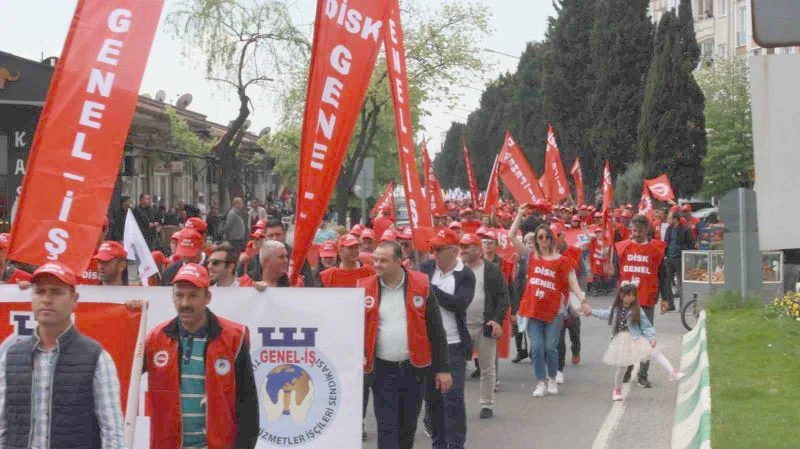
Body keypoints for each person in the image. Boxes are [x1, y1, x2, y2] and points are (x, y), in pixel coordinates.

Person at [0, 262, 126, 448]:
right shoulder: (11, 357)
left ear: (74, 299)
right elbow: (3, 426)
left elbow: (112, 432)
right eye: (40, 292)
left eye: (56, 292)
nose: (47, 299)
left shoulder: (96, 358)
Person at [135, 263, 258, 449]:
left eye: (193, 296)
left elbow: (247, 404)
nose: (185, 303)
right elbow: (122, 372)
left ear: (207, 297)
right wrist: (129, 320)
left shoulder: (234, 337)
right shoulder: (155, 338)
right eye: (179, 295)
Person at [357, 241, 452, 449]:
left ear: (399, 262)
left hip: (413, 369)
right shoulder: (363, 288)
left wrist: (443, 368)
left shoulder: (422, 284)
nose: (377, 265)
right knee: (387, 428)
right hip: (381, 370)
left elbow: (436, 330)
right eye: (375, 260)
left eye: (383, 260)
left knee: (407, 428)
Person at [508, 206, 588, 397]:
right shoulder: (531, 256)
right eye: (540, 237)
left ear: (553, 239)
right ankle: (540, 382)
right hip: (533, 310)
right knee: (536, 348)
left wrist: (582, 301)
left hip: (554, 311)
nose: (544, 240)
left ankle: (552, 378)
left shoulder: (563, 260)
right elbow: (512, 236)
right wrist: (520, 214)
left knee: (550, 348)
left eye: (547, 236)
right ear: (536, 240)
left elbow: (573, 283)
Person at [419, 229, 476, 449]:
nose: (433, 253)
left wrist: (429, 289)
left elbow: (459, 304)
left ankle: (456, 444)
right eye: (432, 249)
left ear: (453, 251)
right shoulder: (425, 269)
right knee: (432, 400)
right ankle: (438, 443)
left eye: (438, 249)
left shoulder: (465, 275)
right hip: (428, 344)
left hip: (453, 344)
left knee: (452, 397)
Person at [585, 284, 685, 401]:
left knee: (655, 352)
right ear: (622, 295)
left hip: (636, 338)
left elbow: (646, 326)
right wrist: (591, 312)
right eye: (628, 295)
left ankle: (672, 372)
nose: (631, 297)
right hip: (620, 341)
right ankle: (617, 390)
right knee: (622, 368)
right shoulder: (616, 309)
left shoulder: (637, 309)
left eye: (633, 295)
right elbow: (604, 314)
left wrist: (651, 337)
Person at [460, 233, 508, 419]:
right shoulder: (457, 269)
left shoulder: (491, 270)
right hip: (461, 325)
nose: (463, 250)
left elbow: (503, 296)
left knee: (487, 366)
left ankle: (487, 404)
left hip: (484, 325)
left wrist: (497, 319)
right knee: (456, 366)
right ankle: (455, 403)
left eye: (467, 247)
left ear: (477, 249)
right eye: (461, 246)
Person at [615, 214, 667, 388]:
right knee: (627, 337)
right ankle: (628, 369)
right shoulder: (622, 248)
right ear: (631, 229)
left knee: (646, 338)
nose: (637, 233)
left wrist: (666, 298)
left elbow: (663, 275)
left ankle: (643, 374)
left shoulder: (656, 249)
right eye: (635, 230)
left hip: (647, 299)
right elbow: (616, 272)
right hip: (626, 302)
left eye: (641, 230)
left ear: (647, 230)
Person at [663, 209, 696, 312]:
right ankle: (670, 304)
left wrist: (684, 253)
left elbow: (691, 244)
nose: (668, 220)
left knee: (682, 282)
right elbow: (666, 242)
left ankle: (683, 306)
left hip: (680, 258)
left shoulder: (685, 229)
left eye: (669, 218)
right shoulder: (669, 229)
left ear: (675, 219)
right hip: (669, 258)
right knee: (666, 282)